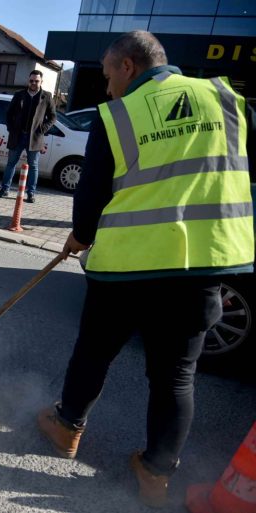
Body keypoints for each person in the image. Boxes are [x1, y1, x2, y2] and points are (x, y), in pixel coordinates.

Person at [36, 30, 254, 508]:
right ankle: (156, 474)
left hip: (128, 267)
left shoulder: (117, 115)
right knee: (176, 375)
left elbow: (91, 195)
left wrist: (81, 237)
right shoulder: (223, 97)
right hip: (203, 264)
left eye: (109, 74)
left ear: (128, 67)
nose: (107, 86)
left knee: (94, 352)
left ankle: (66, 428)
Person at [0, 70, 56, 203]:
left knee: (33, 166)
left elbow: (53, 116)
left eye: (36, 81)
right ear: (28, 81)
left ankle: (31, 194)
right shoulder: (19, 95)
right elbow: (9, 113)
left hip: (34, 138)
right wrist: (10, 128)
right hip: (18, 135)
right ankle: (4, 189)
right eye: (31, 80)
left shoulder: (46, 96)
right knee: (11, 163)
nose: (33, 83)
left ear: (41, 82)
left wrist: (43, 129)